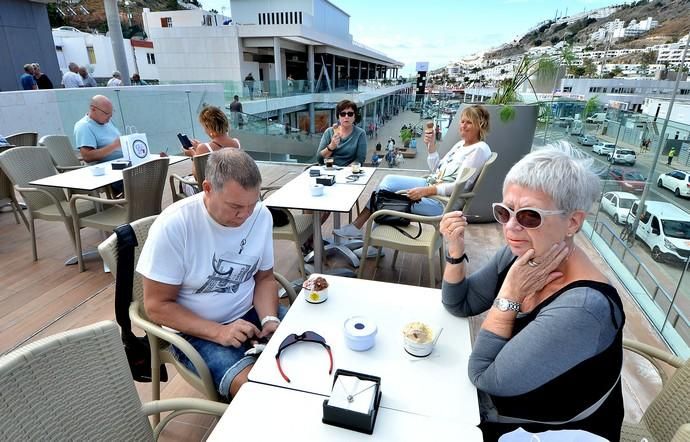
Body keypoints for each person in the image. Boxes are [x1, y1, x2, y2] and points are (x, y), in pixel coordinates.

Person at [440, 142, 625, 441]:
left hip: (543, 430)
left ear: (573, 222)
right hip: (505, 413)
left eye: (529, 216)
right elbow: (459, 303)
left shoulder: (584, 308)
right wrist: (455, 251)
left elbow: (484, 376)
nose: (511, 227)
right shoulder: (521, 256)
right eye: (505, 211)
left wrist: (510, 294)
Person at [137, 149, 284, 401]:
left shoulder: (261, 215)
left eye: (252, 204)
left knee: (308, 354)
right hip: (195, 331)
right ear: (207, 188)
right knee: (258, 393)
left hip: (251, 313)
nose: (246, 215)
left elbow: (264, 278)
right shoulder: (176, 225)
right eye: (235, 206)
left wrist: (269, 318)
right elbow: (156, 306)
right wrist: (219, 332)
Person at [334, 104, 492, 239]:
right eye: (462, 121)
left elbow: (461, 186)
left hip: (443, 203)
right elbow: (437, 170)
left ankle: (366, 235)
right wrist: (431, 146)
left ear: (481, 125)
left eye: (469, 122)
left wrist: (426, 190)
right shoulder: (461, 145)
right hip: (433, 186)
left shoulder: (478, 150)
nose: (463, 125)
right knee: (387, 181)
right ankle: (365, 235)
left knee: (384, 198)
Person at [180, 106, 241, 195]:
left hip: (213, 192)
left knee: (183, 181)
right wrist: (199, 148)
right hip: (231, 187)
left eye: (204, 127)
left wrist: (194, 155)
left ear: (209, 127)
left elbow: (197, 177)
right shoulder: (236, 143)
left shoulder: (203, 148)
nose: (205, 130)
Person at [317, 99, 367, 167]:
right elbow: (319, 159)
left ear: (354, 116)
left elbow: (360, 159)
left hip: (349, 173)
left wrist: (343, 171)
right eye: (343, 114)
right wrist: (331, 146)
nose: (346, 117)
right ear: (338, 117)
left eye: (350, 114)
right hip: (329, 170)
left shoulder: (360, 133)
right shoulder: (329, 132)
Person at [73, 95, 122, 164]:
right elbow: (87, 157)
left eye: (111, 113)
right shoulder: (84, 126)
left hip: (123, 161)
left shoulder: (107, 121)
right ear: (93, 109)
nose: (110, 116)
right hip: (108, 167)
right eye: (106, 113)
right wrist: (114, 146)